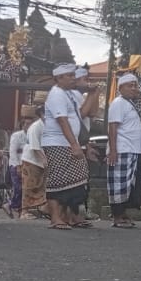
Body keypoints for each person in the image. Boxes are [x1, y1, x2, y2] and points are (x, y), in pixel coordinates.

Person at [42, 64, 90, 230]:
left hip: (68, 142)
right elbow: (62, 120)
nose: (73, 78)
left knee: (76, 178)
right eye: (69, 76)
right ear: (59, 78)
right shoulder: (56, 94)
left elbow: (83, 114)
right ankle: (55, 217)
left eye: (73, 75)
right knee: (58, 179)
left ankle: (69, 215)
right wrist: (74, 145)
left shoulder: (69, 94)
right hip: (58, 143)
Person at [106, 73, 141, 228]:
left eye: (135, 85)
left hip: (136, 150)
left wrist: (139, 93)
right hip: (123, 149)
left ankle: (123, 214)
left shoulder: (132, 103)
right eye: (130, 86)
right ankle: (117, 216)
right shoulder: (118, 103)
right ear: (120, 88)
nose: (133, 88)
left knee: (133, 184)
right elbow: (112, 127)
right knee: (120, 184)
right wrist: (113, 150)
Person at [19, 100, 47, 218]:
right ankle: (24, 211)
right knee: (29, 186)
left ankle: (39, 209)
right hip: (31, 160)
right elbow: (35, 147)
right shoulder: (36, 127)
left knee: (40, 186)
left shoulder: (49, 126)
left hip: (41, 160)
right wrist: (44, 159)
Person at [6, 106, 33, 217]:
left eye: (30, 124)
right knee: (18, 187)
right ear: (22, 125)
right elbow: (12, 151)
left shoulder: (33, 135)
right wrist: (17, 166)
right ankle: (10, 205)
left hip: (28, 164)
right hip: (16, 163)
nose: (28, 126)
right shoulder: (16, 135)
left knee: (26, 188)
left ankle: (21, 209)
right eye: (26, 124)